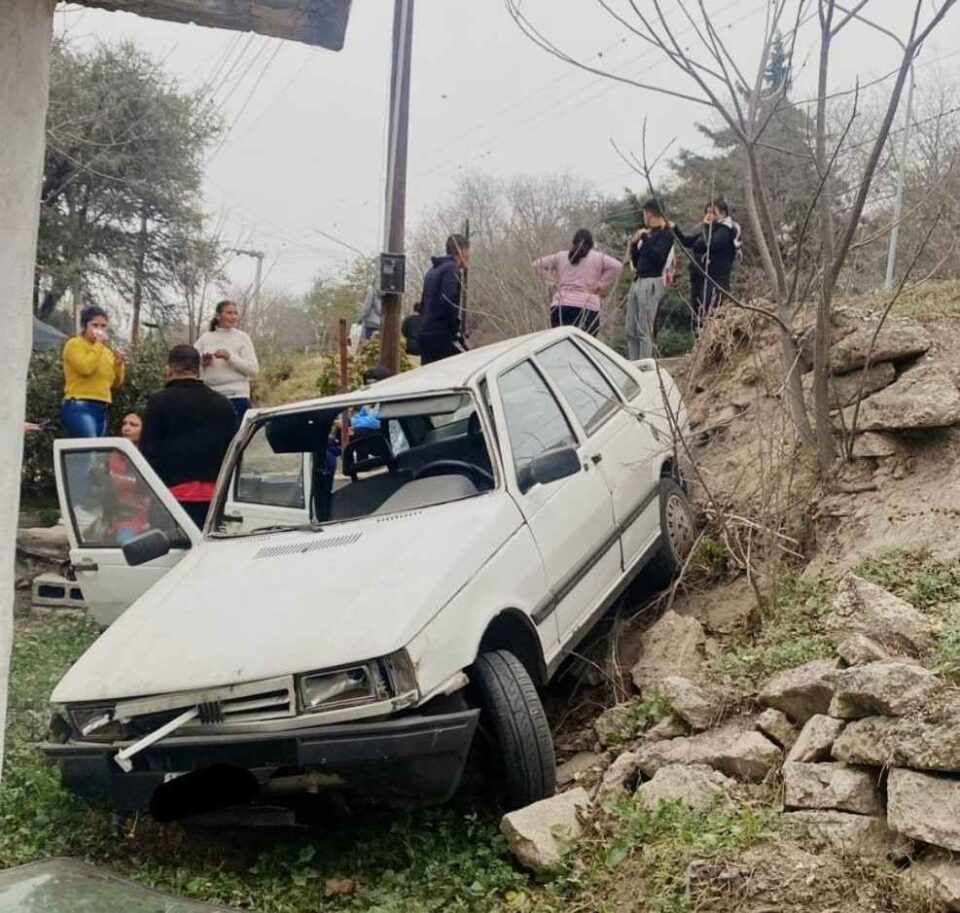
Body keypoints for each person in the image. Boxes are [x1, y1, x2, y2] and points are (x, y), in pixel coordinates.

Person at [140, 345, 239, 527]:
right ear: (199, 369)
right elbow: (234, 452)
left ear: (169, 368)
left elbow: (149, 452)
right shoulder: (223, 404)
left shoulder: (158, 402)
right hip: (214, 499)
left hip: (170, 497)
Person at [533, 229, 623, 336]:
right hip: (588, 306)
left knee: (562, 346)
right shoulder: (598, 257)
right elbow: (617, 266)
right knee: (585, 347)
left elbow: (536, 265)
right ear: (591, 244)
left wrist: (553, 281)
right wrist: (600, 284)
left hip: (561, 305)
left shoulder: (561, 256)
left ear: (573, 242)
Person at [675, 199, 742, 330]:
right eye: (707, 212)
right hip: (700, 279)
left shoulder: (725, 231)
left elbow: (710, 244)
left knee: (709, 316)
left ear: (722, 214)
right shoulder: (711, 230)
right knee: (697, 316)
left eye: (713, 212)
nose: (708, 215)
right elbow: (688, 242)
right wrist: (675, 229)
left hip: (715, 281)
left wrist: (706, 227)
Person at [60, 305, 126, 437]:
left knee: (97, 454)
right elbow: (85, 368)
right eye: (95, 325)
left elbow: (116, 383)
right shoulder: (75, 344)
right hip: (80, 404)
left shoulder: (105, 351)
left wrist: (118, 365)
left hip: (101, 406)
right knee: (89, 450)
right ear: (85, 326)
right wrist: (98, 345)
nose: (99, 330)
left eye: (103, 326)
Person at [626, 200, 679, 360]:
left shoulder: (666, 234)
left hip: (652, 282)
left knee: (644, 330)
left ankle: (644, 366)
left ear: (649, 213)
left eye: (645, 213)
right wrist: (634, 245)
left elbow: (657, 258)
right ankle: (633, 363)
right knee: (631, 329)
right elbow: (637, 261)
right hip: (638, 280)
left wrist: (646, 240)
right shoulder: (647, 233)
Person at [194, 300, 259, 420]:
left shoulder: (242, 338)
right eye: (229, 313)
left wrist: (229, 357)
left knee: (236, 437)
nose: (233, 317)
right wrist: (204, 363)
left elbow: (253, 370)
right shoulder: (205, 338)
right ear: (218, 315)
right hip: (211, 397)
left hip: (237, 397)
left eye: (235, 313)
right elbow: (192, 369)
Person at [418, 233, 470, 365]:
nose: (469, 255)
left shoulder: (432, 270)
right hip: (441, 336)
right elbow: (448, 301)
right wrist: (455, 328)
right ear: (461, 250)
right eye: (468, 251)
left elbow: (423, 304)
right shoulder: (451, 269)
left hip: (425, 333)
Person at [107, 409, 150, 543]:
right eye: (125, 423)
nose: (126, 428)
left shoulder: (151, 456)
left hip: (148, 516)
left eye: (133, 425)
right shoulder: (114, 455)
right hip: (123, 517)